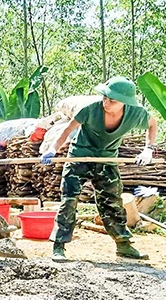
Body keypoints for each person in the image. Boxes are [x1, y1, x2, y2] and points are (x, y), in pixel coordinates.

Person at [43, 76, 158, 262]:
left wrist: (148, 149)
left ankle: (123, 245)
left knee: (112, 201)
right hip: (79, 157)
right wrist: (52, 149)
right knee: (69, 200)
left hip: (106, 159)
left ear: (125, 102)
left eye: (112, 100)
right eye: (105, 97)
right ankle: (59, 245)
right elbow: (66, 131)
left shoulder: (135, 114)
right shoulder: (90, 109)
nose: (106, 102)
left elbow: (153, 124)